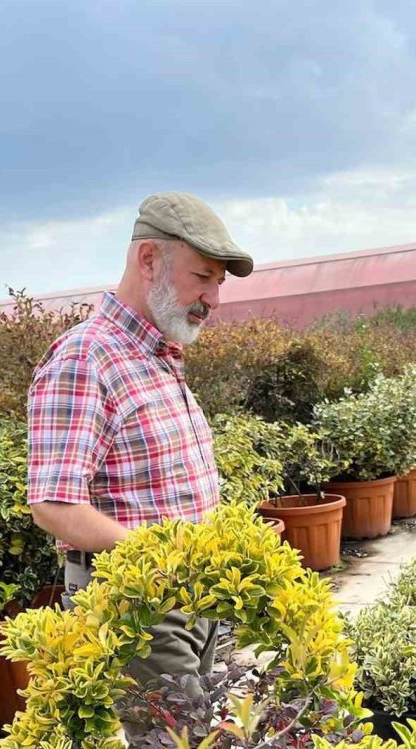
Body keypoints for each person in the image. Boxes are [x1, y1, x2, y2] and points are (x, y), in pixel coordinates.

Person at [27, 191, 254, 692]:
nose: (213, 299)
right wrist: (163, 559)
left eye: (218, 283)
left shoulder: (154, 355)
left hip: (189, 598)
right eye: (202, 277)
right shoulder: (86, 358)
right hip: (138, 602)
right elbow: (53, 506)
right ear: (149, 260)